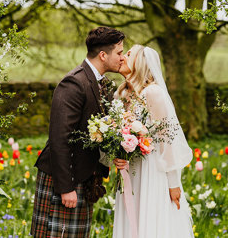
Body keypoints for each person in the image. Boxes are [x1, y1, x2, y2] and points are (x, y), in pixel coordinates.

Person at [31, 27, 125, 238]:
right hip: (64, 179)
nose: (122, 58)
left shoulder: (104, 85)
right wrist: (66, 187)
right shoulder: (74, 82)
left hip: (84, 178)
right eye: (119, 53)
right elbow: (60, 138)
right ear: (103, 55)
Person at [113, 44, 194, 238]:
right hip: (131, 171)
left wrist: (173, 183)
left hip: (152, 171)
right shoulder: (121, 95)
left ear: (139, 62)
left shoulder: (153, 93)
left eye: (128, 54)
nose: (123, 57)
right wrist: (117, 155)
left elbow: (167, 140)